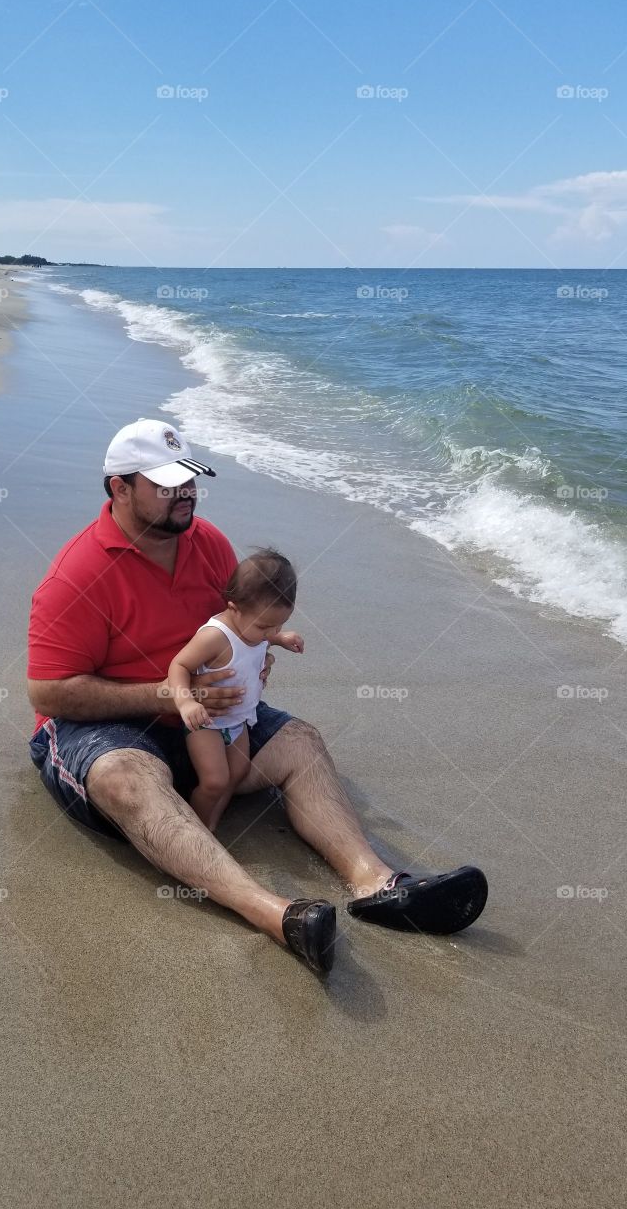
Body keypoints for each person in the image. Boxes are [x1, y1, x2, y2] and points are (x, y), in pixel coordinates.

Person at [27, 418, 488, 977]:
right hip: (107, 728)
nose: (186, 493)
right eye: (167, 485)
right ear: (120, 488)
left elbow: (239, 623)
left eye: (190, 480)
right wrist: (167, 696)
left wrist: (253, 657)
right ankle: (275, 912)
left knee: (300, 741)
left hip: (210, 716)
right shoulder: (79, 573)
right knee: (126, 779)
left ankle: (378, 882)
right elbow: (49, 692)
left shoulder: (210, 544)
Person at [169, 549, 304, 833]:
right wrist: (185, 703)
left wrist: (280, 639)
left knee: (237, 773)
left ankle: (212, 824)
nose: (270, 631)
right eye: (266, 625)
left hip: (239, 720)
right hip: (207, 722)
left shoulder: (255, 628)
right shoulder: (215, 636)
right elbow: (179, 665)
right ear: (234, 608)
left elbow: (262, 638)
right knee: (215, 780)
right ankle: (195, 831)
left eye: (280, 624)